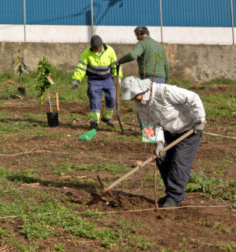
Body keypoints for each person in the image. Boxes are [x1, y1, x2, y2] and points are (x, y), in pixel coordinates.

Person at [121, 76, 206, 208]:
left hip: (189, 129)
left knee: (179, 161)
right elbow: (148, 124)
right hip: (168, 131)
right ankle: (173, 193)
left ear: (142, 89)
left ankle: (174, 196)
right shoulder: (138, 106)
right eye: (132, 97)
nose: (135, 99)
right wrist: (158, 142)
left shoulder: (164, 91)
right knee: (162, 158)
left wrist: (200, 119)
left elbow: (193, 97)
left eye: (136, 95)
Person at [71, 35, 122, 129]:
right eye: (95, 49)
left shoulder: (109, 50)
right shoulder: (86, 53)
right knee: (95, 100)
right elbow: (81, 67)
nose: (97, 50)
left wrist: (118, 76)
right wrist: (76, 80)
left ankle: (107, 118)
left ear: (102, 46)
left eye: (98, 48)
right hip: (94, 81)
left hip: (108, 79)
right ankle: (94, 122)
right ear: (92, 48)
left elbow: (115, 65)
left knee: (112, 97)